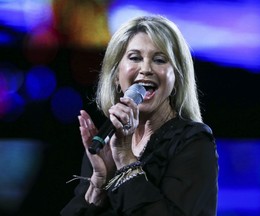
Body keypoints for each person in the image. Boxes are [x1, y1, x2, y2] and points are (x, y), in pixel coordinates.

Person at [61, 15, 218, 216]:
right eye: (135, 57)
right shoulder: (105, 142)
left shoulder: (193, 142)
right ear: (116, 75)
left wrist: (126, 159)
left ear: (177, 78)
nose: (145, 69)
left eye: (159, 59)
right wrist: (99, 185)